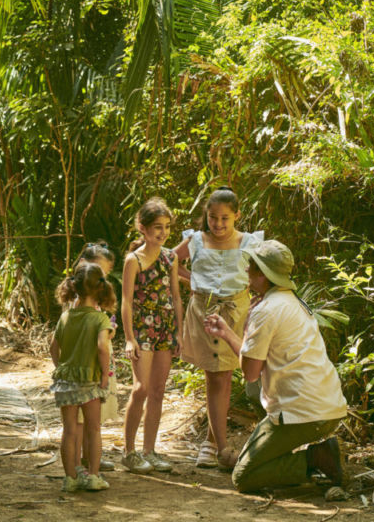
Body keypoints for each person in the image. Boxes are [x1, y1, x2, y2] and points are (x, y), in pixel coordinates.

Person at [203, 240, 347, 493]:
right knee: (254, 394)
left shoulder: (266, 310)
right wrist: (226, 333)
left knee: (244, 476)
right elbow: (253, 359)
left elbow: (250, 373)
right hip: (327, 408)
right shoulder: (291, 301)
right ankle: (307, 455)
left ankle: (316, 458)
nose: (246, 270)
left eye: (251, 266)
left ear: (263, 274)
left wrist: (246, 326)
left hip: (303, 414)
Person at [173, 186, 262, 469]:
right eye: (213, 218)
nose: (218, 224)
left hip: (237, 311)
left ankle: (213, 444)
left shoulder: (249, 242)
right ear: (206, 216)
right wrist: (192, 279)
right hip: (205, 312)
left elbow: (265, 272)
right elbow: (169, 260)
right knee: (215, 377)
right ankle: (218, 447)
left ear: (237, 215)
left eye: (225, 218)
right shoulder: (197, 240)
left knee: (224, 376)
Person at [120, 198, 183, 474]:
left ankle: (150, 451)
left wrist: (179, 332)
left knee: (158, 390)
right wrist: (129, 337)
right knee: (141, 389)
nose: (163, 232)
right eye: (158, 227)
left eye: (167, 227)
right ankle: (129, 452)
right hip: (142, 330)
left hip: (165, 329)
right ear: (143, 229)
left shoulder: (171, 257)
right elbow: (126, 301)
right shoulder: (133, 260)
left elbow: (176, 297)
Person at [50, 262, 116, 492]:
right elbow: (102, 347)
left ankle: (70, 478)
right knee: (93, 429)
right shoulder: (100, 319)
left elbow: (53, 347)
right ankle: (93, 476)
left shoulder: (66, 317)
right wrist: (105, 375)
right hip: (90, 381)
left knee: (69, 430)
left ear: (75, 288)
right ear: (101, 289)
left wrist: (62, 368)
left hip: (66, 381)